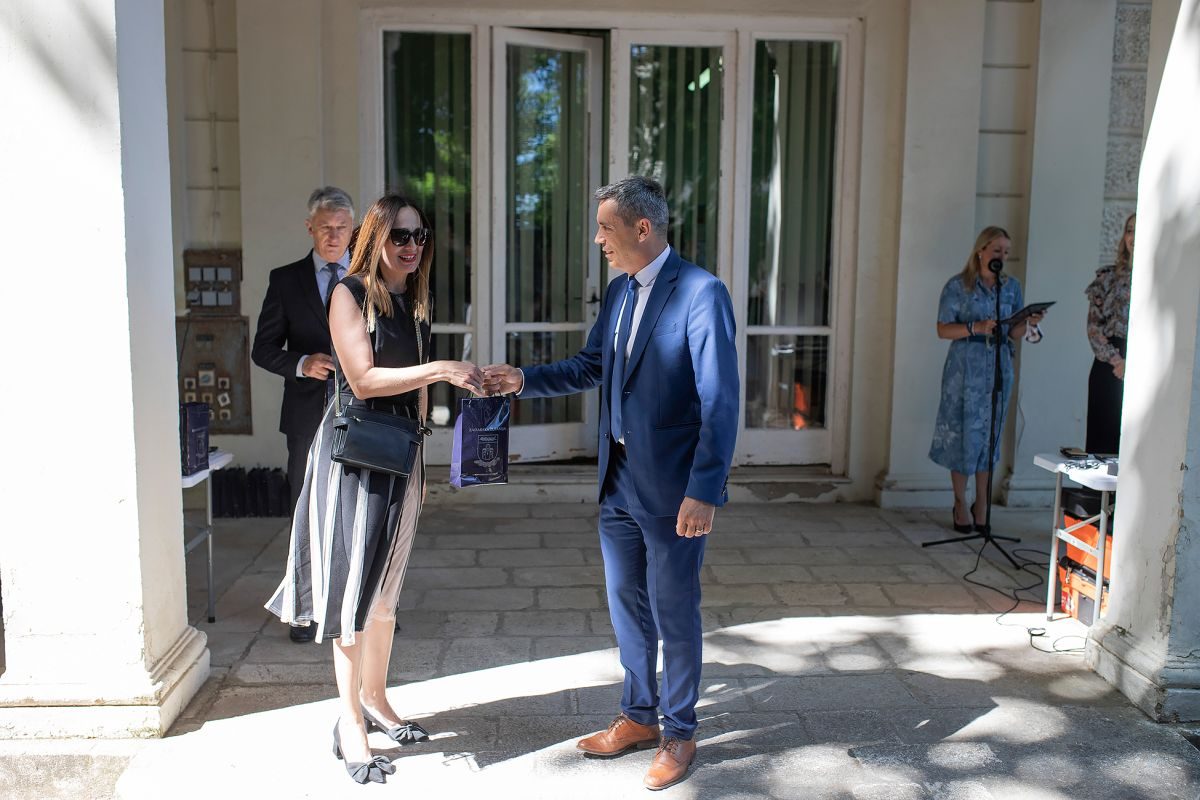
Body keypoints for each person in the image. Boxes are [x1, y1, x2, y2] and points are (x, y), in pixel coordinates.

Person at [483, 176, 739, 791]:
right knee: (627, 602)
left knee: (674, 609)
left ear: (641, 228)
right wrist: (522, 380)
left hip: (674, 489)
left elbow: (721, 399)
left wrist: (704, 489)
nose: (598, 239)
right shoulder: (621, 290)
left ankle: (680, 732)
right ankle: (639, 716)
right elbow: (592, 366)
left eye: (605, 227)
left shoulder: (701, 293)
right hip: (617, 480)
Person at [266, 194, 484, 784]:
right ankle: (349, 723)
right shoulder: (350, 294)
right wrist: (442, 368)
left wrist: (421, 468)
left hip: (402, 455)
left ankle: (377, 699)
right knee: (354, 597)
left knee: (387, 594)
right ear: (376, 238)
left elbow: (416, 394)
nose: (412, 246)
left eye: (419, 236)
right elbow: (361, 380)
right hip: (356, 458)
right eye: (400, 236)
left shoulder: (415, 299)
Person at [252, 186, 355, 642]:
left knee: (359, 508)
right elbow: (263, 349)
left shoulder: (371, 276)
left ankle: (363, 607)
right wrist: (300, 363)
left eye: (342, 228)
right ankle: (305, 609)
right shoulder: (285, 280)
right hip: (306, 414)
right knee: (306, 509)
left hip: (363, 410)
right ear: (309, 228)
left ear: (352, 230)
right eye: (325, 227)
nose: (333, 236)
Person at [929, 226, 1044, 534]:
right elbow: (942, 329)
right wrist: (975, 327)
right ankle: (960, 502)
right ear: (981, 251)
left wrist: (1028, 321)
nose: (1001, 257)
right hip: (964, 370)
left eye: (1006, 252)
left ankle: (982, 503)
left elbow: (1014, 332)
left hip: (998, 369)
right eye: (996, 250)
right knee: (962, 435)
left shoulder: (1011, 287)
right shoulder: (958, 286)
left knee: (989, 437)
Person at [1085, 212, 1135, 455]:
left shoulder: (1162, 280)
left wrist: (1133, 363)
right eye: (1129, 230)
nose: (1133, 236)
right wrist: (1118, 361)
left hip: (1142, 362)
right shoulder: (1107, 277)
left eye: (1140, 230)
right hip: (1109, 363)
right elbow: (1094, 328)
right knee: (1103, 436)